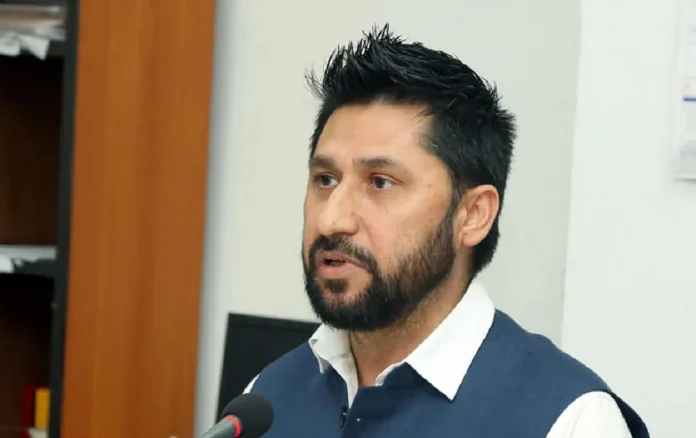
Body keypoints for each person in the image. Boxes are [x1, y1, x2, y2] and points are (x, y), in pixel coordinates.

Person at [242, 24, 649, 437]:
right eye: (325, 179)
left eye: (380, 182)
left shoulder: (570, 419)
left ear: (473, 215)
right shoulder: (267, 398)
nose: (332, 220)